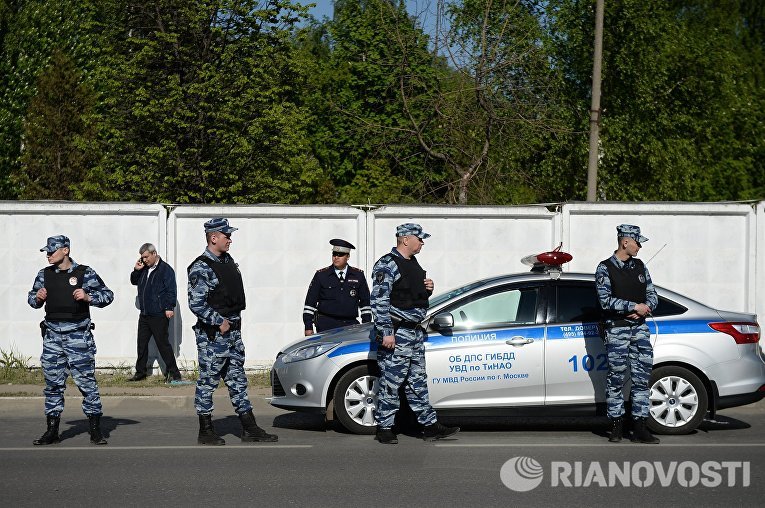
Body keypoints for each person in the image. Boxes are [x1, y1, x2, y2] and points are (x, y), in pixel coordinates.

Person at [187, 218, 278, 445]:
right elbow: (196, 304)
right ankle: (205, 431)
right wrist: (219, 321)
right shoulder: (201, 267)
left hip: (233, 336)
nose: (230, 239)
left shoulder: (227, 261)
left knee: (237, 380)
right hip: (214, 337)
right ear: (213, 237)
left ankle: (249, 428)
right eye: (226, 235)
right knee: (208, 382)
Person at [370, 223, 459, 444]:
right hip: (397, 332)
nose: (422, 243)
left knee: (417, 381)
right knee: (392, 380)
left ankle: (429, 426)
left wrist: (428, 288)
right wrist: (386, 332)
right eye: (419, 238)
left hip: (414, 333)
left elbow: (410, 294)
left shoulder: (412, 263)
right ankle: (385, 428)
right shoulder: (387, 264)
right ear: (405, 239)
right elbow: (379, 302)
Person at [27, 235, 114, 445]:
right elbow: (31, 299)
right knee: (53, 385)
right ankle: (52, 431)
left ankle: (95, 430)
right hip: (52, 338)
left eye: (52, 250)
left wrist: (88, 297)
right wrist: (37, 298)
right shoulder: (44, 274)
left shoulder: (85, 273)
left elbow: (108, 295)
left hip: (78, 338)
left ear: (65, 250)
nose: (48, 254)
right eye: (46, 251)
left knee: (87, 384)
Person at [596, 224, 660, 444]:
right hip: (617, 329)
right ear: (625, 242)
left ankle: (640, 427)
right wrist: (634, 307)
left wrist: (645, 307)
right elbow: (605, 301)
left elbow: (653, 295)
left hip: (640, 330)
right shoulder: (605, 268)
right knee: (616, 378)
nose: (640, 247)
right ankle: (616, 426)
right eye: (637, 242)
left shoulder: (640, 266)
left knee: (642, 379)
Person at [128, 243, 183, 383]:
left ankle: (174, 374)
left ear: (154, 254)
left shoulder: (165, 270)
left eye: (146, 257)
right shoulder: (144, 269)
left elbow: (171, 289)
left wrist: (169, 307)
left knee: (162, 344)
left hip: (159, 313)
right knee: (141, 344)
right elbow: (134, 281)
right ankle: (140, 373)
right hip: (145, 313)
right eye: (142, 257)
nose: (144, 260)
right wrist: (136, 270)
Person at [303, 238, 372, 335]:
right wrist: (308, 326)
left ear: (348, 256)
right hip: (326, 325)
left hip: (350, 325)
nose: (336, 257)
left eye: (340, 255)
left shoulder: (358, 275)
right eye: (334, 254)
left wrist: (366, 325)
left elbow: (365, 303)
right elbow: (310, 303)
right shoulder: (322, 275)